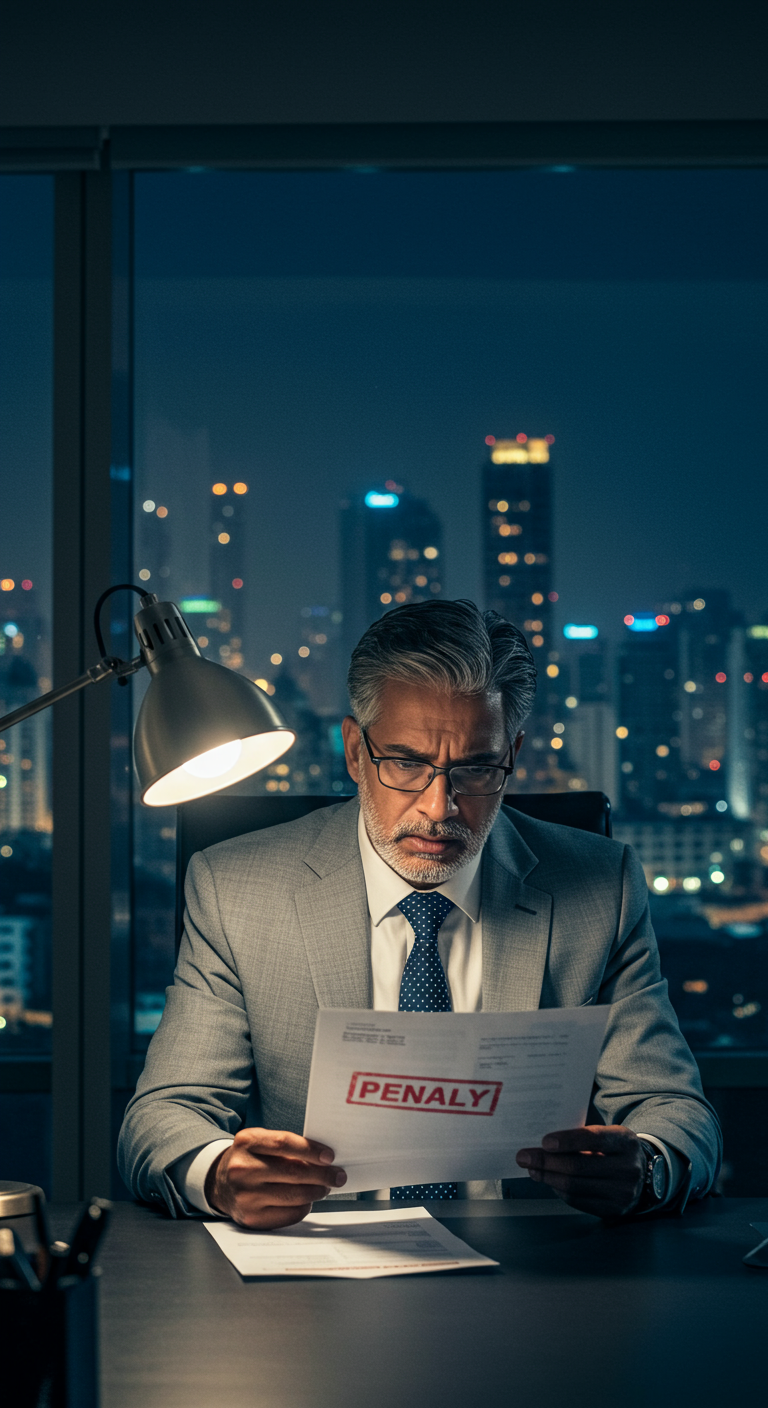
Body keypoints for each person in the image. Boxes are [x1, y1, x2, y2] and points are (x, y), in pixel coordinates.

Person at [118, 600, 721, 1227]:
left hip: (532, 1272)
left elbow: (677, 1111)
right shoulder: (237, 888)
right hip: (317, 1278)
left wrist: (646, 1166)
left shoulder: (601, 886)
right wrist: (218, 1174)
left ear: (511, 754)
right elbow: (163, 1115)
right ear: (355, 752)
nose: (440, 807)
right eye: (406, 763)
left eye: (476, 769)